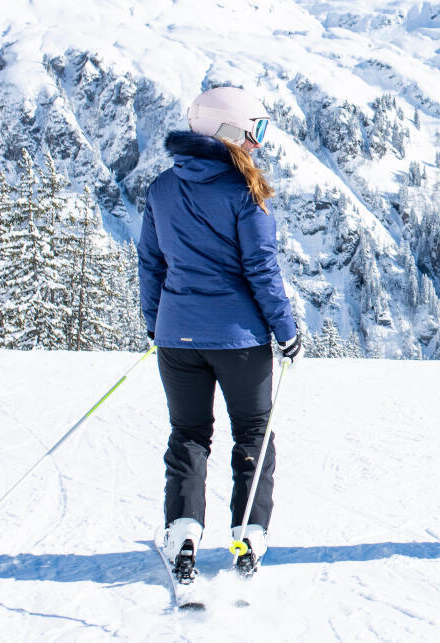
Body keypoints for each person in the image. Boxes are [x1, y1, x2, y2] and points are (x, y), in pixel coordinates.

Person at [140, 86, 301, 581]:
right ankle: (248, 537)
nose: (259, 144)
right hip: (240, 341)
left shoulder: (161, 188)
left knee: (188, 435)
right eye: (255, 131)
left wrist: (156, 324)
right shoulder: (244, 191)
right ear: (228, 130)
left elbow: (151, 264)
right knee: (253, 433)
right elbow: (262, 269)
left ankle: (183, 533)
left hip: (177, 339)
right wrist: (286, 330)